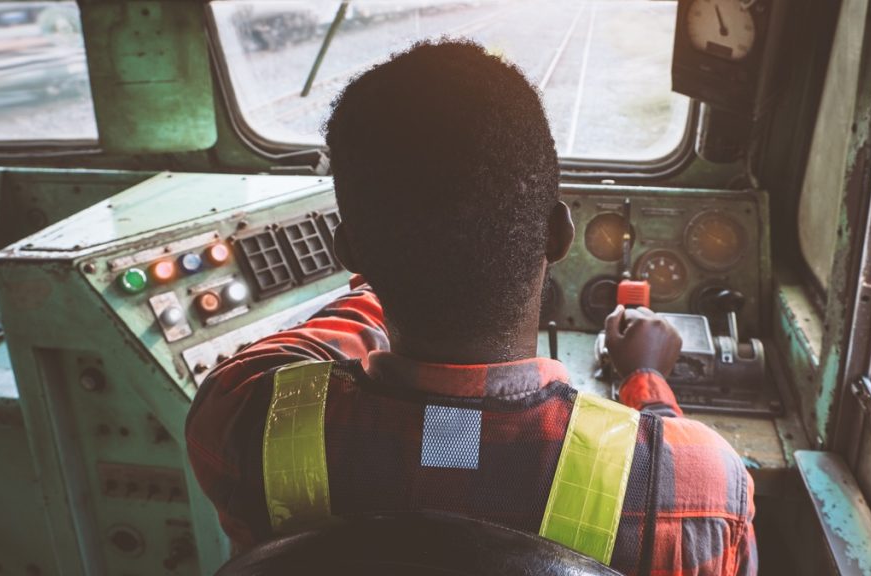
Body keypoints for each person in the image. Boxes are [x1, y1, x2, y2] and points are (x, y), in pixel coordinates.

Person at [186, 40, 756, 575]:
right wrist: (647, 377)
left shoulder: (238, 416)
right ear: (558, 236)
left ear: (349, 253)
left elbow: (281, 354)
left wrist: (388, 274)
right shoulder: (706, 486)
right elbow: (667, 470)